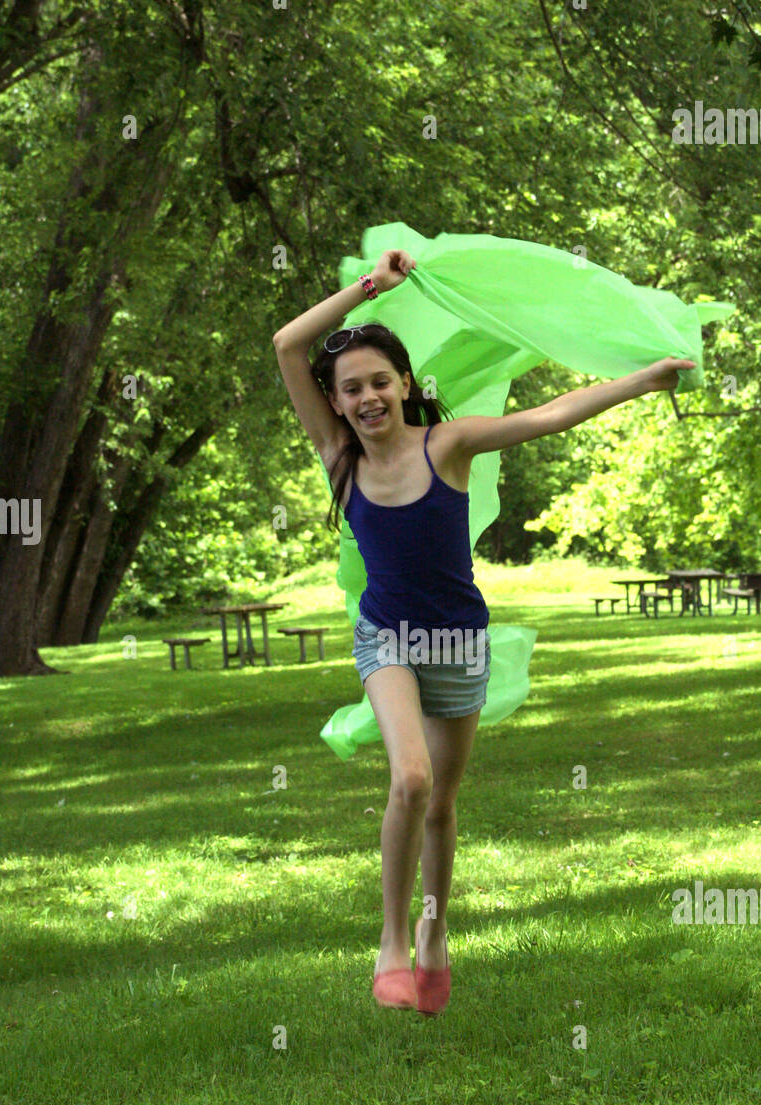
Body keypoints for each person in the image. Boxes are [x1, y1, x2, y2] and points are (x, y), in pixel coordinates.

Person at [273, 247, 695, 1016]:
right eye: (351, 388)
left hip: (460, 645)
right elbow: (285, 345)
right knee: (410, 779)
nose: (367, 397)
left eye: (379, 381)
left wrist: (643, 380)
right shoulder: (339, 458)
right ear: (333, 403)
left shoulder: (449, 444)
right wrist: (371, 289)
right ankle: (391, 944)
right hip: (388, 641)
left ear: (405, 385)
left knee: (441, 804)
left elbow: (551, 415)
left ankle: (435, 932)